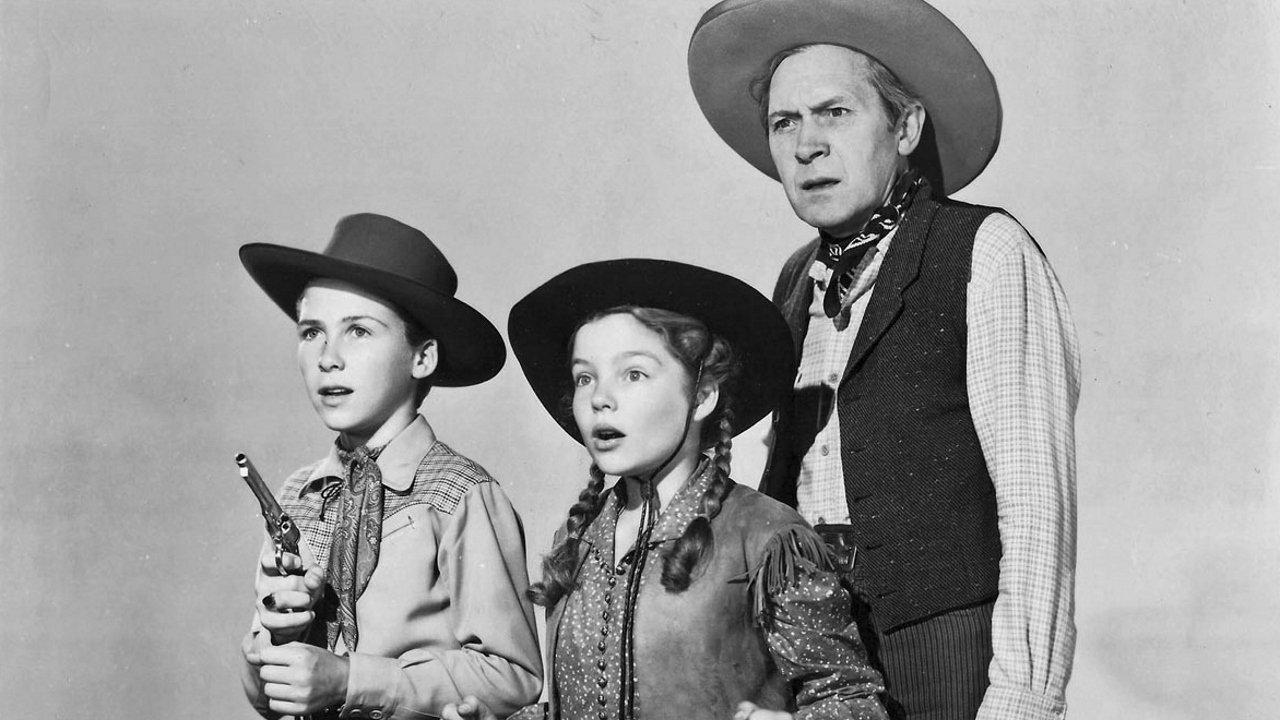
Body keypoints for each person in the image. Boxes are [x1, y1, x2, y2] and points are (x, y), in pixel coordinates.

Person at [688, 1, 1081, 719]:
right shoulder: (794, 282)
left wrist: (1022, 699)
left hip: (950, 657)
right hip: (816, 663)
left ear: (905, 129)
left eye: (834, 113)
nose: (806, 146)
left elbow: (1035, 506)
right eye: (784, 122)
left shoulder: (985, 251)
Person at [444, 258, 888, 720]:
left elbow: (853, 700)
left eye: (633, 374)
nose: (600, 399)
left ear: (702, 396)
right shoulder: (578, 541)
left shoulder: (767, 538)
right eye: (584, 378)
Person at [235, 213, 542, 719]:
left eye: (358, 330)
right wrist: (274, 636)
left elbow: (512, 678)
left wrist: (350, 680)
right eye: (311, 332)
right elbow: (267, 699)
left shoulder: (461, 495)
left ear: (423, 358)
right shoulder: (297, 495)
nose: (328, 357)